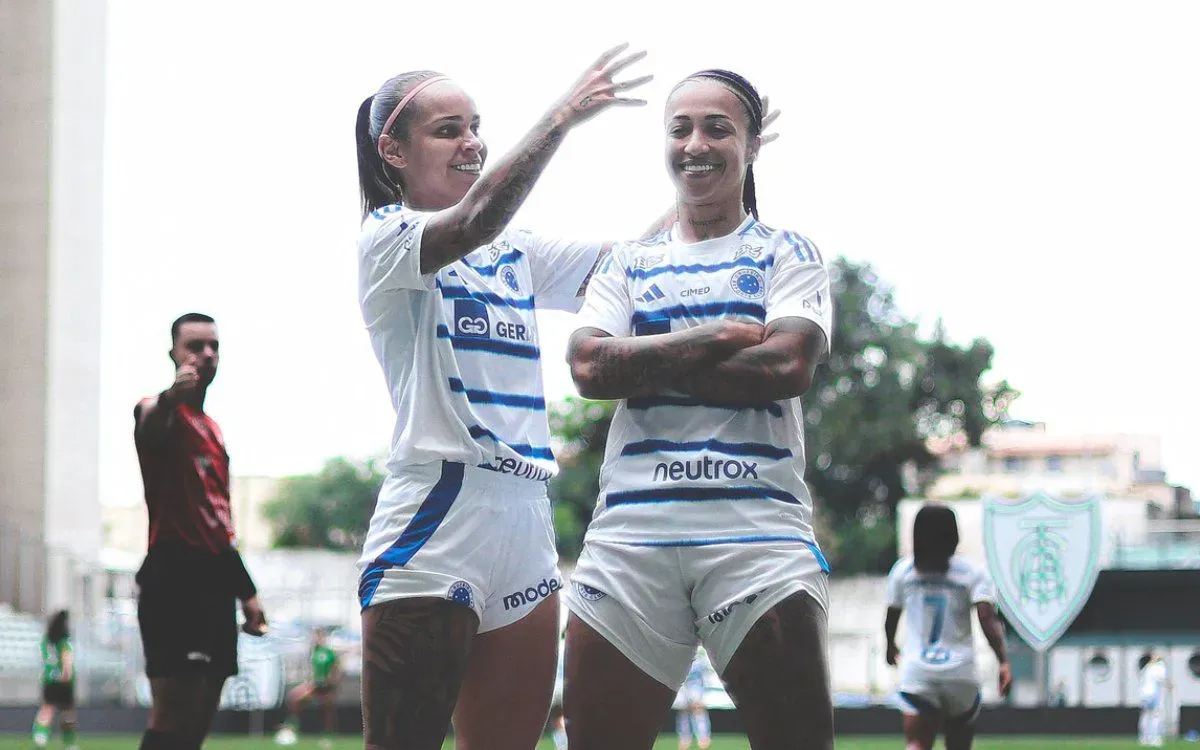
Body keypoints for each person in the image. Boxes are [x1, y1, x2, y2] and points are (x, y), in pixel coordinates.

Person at [352, 45, 654, 750]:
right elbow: (476, 219)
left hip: (525, 517)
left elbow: (633, 270)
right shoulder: (387, 239)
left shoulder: (513, 250)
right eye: (447, 129)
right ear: (392, 150)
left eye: (476, 126)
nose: (471, 142)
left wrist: (706, 185)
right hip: (437, 513)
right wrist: (564, 116)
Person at [563, 69, 835, 750]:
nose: (695, 143)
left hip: (757, 537)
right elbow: (590, 368)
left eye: (717, 127)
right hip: (630, 541)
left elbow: (785, 367)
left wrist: (646, 359)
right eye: (680, 127)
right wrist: (716, 338)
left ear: (751, 146)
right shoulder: (627, 262)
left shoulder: (787, 252)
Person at [133, 312, 269, 750]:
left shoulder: (213, 430)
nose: (206, 354)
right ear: (173, 353)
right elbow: (150, 421)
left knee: (197, 725)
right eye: (195, 345)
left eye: (213, 346)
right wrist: (172, 397)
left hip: (216, 581)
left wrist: (245, 591)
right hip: (173, 578)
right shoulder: (159, 411)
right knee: (172, 717)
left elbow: (218, 519)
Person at [884, 503, 1012, 750]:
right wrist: (1003, 661)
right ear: (953, 536)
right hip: (961, 674)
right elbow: (987, 619)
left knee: (916, 744)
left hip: (918, 672)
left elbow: (891, 617)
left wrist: (890, 647)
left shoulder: (903, 572)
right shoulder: (973, 573)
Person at [275, 627, 341, 748]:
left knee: (328, 710)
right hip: (315, 685)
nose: (316, 639)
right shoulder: (313, 652)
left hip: (326, 687)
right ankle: (292, 727)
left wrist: (331, 683)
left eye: (318, 636)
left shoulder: (328, 652)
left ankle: (328, 735)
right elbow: (313, 671)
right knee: (294, 698)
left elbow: (335, 669)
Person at [32, 610, 77, 749]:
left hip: (49, 679)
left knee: (46, 709)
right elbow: (66, 658)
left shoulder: (46, 639)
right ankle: (69, 744)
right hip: (63, 680)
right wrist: (66, 675)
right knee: (67, 713)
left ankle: (40, 738)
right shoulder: (64, 640)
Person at [676, 648, 713, 750]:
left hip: (695, 682)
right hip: (681, 682)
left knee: (698, 709)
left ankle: (703, 736)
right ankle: (684, 737)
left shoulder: (699, 655)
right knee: (683, 710)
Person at [1139, 650, 1170, 747]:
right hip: (1153, 695)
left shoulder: (1147, 667)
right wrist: (1170, 685)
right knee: (1155, 716)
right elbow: (1162, 679)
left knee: (1145, 716)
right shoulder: (1159, 666)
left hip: (1144, 694)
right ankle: (1154, 738)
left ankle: (1144, 738)